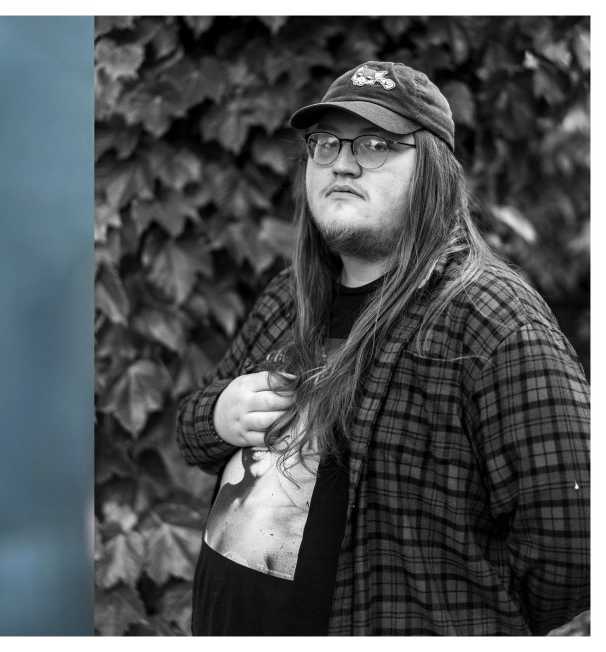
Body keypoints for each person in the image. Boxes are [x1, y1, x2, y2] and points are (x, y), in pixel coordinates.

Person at [176, 61, 590, 636]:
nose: (342, 162)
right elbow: (193, 433)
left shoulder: (491, 322)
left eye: (376, 144)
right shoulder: (288, 299)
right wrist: (220, 415)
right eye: (325, 144)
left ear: (435, 173)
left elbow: (573, 541)